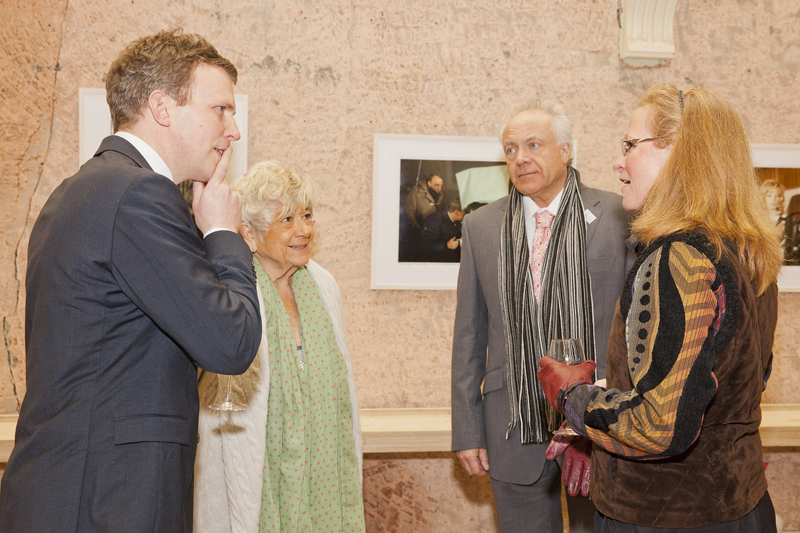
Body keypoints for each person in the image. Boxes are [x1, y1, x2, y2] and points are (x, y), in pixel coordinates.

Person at [0, 29, 262, 532]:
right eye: (220, 110)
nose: (233, 131)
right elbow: (231, 342)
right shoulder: (140, 194)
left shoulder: (83, 189)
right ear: (161, 107)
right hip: (109, 500)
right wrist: (225, 235)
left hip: (76, 492)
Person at [537, 84, 782, 531]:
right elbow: (733, 383)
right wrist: (602, 435)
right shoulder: (750, 254)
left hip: (665, 516)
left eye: (630, 145)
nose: (618, 161)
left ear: (679, 153)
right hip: (740, 506)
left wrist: (572, 397)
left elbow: (659, 426)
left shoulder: (681, 258)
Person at [451, 98, 633, 533]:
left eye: (534, 144)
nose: (521, 158)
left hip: (600, 426)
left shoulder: (617, 215)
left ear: (567, 150)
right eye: (511, 149)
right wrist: (467, 429)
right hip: (511, 424)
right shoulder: (482, 227)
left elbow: (635, 326)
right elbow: (469, 337)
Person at [194, 161, 365, 533]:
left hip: (323, 471)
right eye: (286, 220)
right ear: (249, 235)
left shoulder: (323, 286)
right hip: (259, 467)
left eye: (306, 215)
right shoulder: (230, 292)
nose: (303, 229)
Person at [420, 197, 465, 262]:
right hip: (437, 259)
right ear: (457, 212)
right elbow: (425, 245)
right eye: (464, 212)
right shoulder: (433, 222)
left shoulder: (453, 216)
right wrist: (446, 245)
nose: (466, 215)